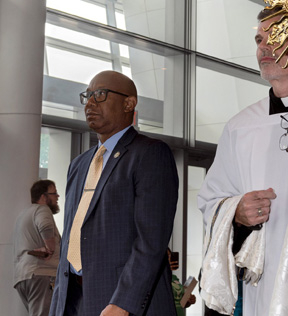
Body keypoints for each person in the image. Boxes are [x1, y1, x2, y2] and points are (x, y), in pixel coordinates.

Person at [197, 7, 288, 315]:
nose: (264, 47)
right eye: (259, 39)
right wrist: (235, 211)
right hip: (262, 278)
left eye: (276, 37)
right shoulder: (241, 125)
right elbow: (210, 200)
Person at [50, 70, 179, 316]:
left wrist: (123, 303)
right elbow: (72, 235)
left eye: (99, 94)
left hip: (121, 304)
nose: (89, 103)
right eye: (87, 96)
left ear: (129, 103)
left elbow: (150, 242)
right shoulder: (79, 164)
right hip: (74, 301)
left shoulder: (150, 154)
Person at [13, 179, 61, 316]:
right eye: (54, 193)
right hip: (42, 273)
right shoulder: (42, 209)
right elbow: (45, 226)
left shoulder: (23, 214)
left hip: (23, 276)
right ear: (43, 197)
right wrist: (50, 249)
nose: (57, 196)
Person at [167, 249, 196, 316]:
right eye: (166, 257)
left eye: (169, 256)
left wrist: (189, 300)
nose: (169, 259)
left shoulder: (174, 278)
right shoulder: (155, 279)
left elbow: (182, 304)